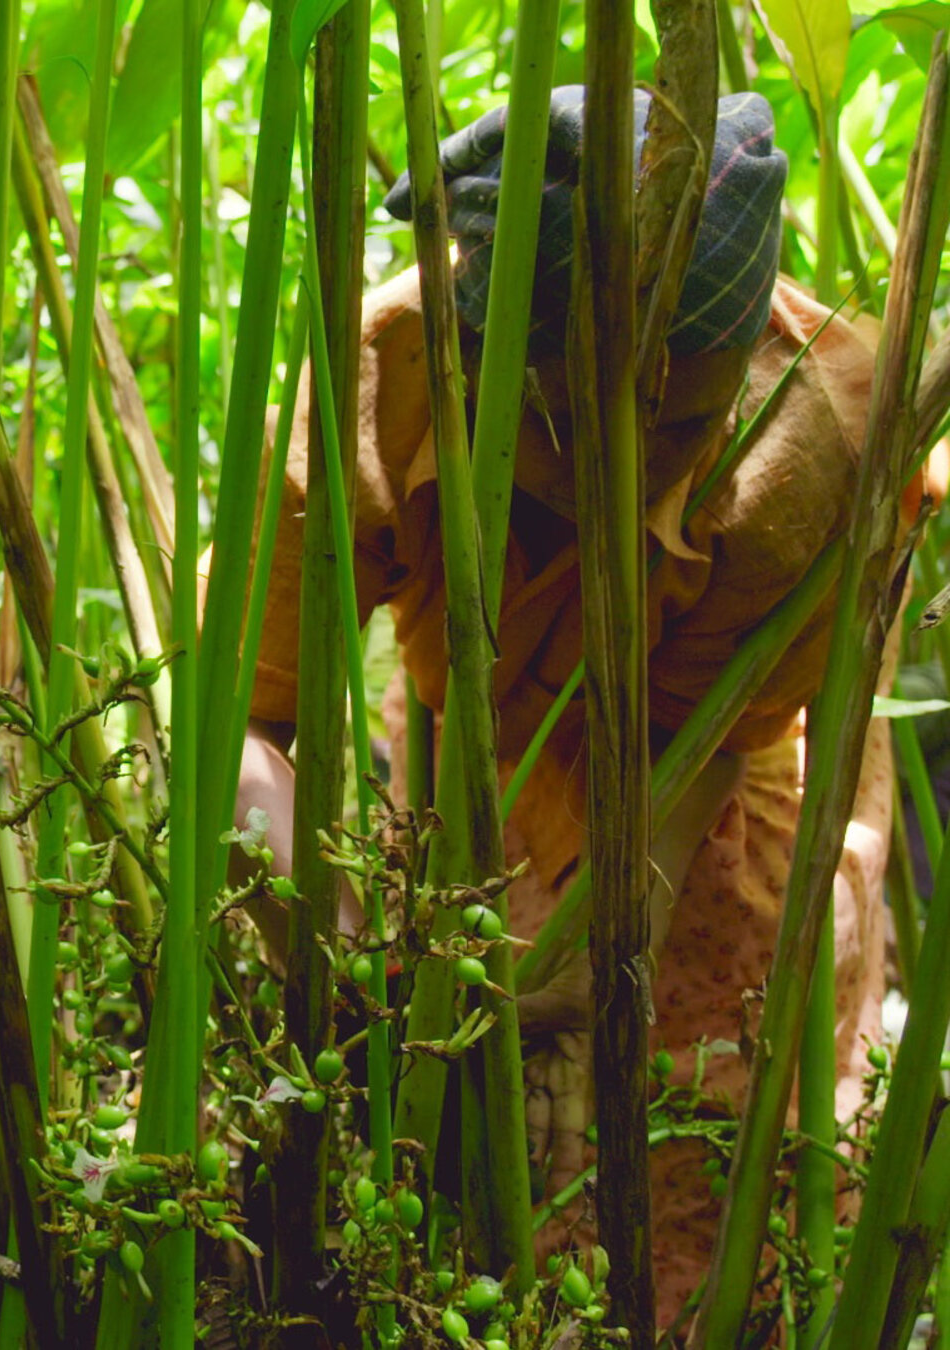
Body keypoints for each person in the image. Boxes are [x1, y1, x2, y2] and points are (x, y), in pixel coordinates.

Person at [234, 89, 929, 1325]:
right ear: (499, 358)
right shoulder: (390, 373)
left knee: (707, 1154)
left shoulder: (818, 438)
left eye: (675, 416)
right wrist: (354, 965)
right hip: (470, 769)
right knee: (470, 1185)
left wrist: (602, 948)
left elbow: (710, 753)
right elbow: (245, 728)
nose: (633, 456)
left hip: (725, 801)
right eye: (577, 421)